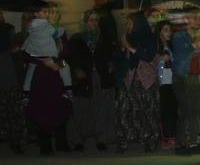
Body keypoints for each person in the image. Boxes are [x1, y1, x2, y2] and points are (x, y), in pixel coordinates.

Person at [64, 10, 117, 152]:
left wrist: (111, 63)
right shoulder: (77, 38)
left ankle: (101, 138)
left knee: (101, 107)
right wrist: (76, 69)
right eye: (91, 20)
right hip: (83, 77)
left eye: (96, 20)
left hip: (99, 75)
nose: (94, 23)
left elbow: (111, 53)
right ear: (85, 22)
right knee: (80, 108)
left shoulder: (104, 37)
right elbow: (69, 56)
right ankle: (77, 140)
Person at [115, 12, 160, 153]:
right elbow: (117, 57)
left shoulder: (150, 38)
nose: (128, 26)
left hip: (145, 79)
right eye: (127, 23)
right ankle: (124, 140)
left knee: (148, 111)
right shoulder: (126, 38)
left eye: (130, 23)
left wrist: (129, 47)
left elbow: (147, 56)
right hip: (129, 79)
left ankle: (150, 139)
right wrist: (122, 48)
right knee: (124, 110)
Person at [0, 6, 25, 155]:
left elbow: (9, 46)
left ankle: (16, 142)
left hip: (8, 74)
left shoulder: (8, 29)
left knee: (13, 111)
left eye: (0, 13)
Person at [171, 9, 200, 155]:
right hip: (182, 76)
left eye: (198, 18)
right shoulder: (179, 36)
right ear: (186, 19)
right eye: (194, 18)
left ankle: (193, 142)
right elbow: (185, 50)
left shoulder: (197, 36)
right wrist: (198, 43)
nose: (197, 21)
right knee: (185, 111)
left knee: (194, 111)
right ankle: (181, 143)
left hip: (194, 75)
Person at [22, 1, 72, 100]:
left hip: (57, 77)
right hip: (40, 77)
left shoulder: (61, 31)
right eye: (51, 12)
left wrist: (56, 63)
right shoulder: (38, 29)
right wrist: (45, 62)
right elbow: (28, 53)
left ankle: (68, 90)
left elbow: (66, 53)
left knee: (65, 66)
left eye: (57, 13)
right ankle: (26, 94)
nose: (54, 15)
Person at [154, 20, 177, 149]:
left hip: (170, 81)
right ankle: (165, 137)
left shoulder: (170, 46)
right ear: (159, 32)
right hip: (162, 82)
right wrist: (160, 59)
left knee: (171, 110)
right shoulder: (156, 46)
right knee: (164, 110)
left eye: (169, 30)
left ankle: (171, 135)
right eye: (165, 30)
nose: (168, 33)